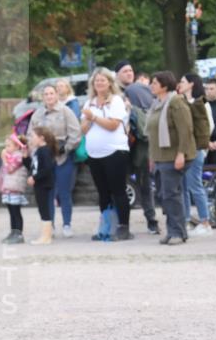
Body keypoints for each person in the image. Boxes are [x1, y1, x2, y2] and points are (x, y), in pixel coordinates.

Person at [80, 68, 133, 240]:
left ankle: (123, 227)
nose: (99, 83)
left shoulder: (116, 100)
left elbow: (112, 125)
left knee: (118, 190)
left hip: (114, 151)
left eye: (103, 80)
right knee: (102, 192)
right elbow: (83, 129)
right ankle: (106, 227)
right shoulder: (89, 103)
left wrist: (94, 117)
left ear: (110, 83)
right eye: (96, 81)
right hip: (94, 154)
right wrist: (89, 119)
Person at [146, 71, 195, 245]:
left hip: (173, 156)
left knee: (171, 195)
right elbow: (152, 133)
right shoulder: (157, 104)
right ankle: (174, 229)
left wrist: (181, 153)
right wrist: (152, 156)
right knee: (165, 195)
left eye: (155, 83)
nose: (151, 86)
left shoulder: (176, 102)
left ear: (165, 86)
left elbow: (185, 129)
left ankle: (177, 232)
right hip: (160, 157)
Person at [29, 84, 81, 238]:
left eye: (52, 93)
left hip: (62, 156)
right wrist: (34, 153)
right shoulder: (37, 114)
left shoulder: (66, 111)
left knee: (64, 192)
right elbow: (31, 135)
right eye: (46, 94)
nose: (49, 96)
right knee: (47, 193)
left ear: (57, 95)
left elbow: (76, 133)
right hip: (44, 158)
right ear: (43, 97)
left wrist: (66, 148)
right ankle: (49, 225)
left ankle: (67, 224)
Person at [115, 60, 159, 234]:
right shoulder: (113, 93)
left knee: (144, 182)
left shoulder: (138, 90)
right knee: (121, 184)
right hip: (122, 144)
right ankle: (122, 223)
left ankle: (151, 220)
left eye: (131, 70)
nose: (129, 73)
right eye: (125, 71)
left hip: (139, 142)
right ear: (117, 74)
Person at [178, 73, 213, 236]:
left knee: (195, 185)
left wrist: (202, 143)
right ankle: (186, 221)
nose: (180, 84)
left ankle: (205, 222)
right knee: (183, 186)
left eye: (182, 81)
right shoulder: (181, 101)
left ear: (191, 84)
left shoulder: (202, 102)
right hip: (184, 149)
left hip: (196, 149)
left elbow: (209, 125)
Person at [24, 126, 57, 245]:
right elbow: (33, 167)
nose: (31, 139)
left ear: (41, 138)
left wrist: (35, 177)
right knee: (42, 209)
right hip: (39, 183)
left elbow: (47, 169)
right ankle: (45, 235)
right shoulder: (38, 151)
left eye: (33, 136)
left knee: (44, 209)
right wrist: (25, 157)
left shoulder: (45, 151)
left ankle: (46, 236)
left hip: (44, 184)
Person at [0, 133, 28, 243]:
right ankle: (13, 232)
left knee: (16, 212)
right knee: (11, 212)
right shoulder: (10, 156)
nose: (6, 148)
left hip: (15, 188)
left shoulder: (18, 157)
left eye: (8, 146)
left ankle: (19, 234)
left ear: (17, 146)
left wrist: (4, 159)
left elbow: (10, 169)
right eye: (5, 146)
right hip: (8, 188)